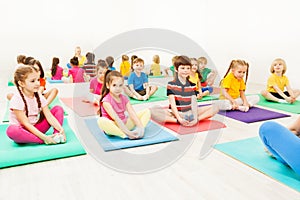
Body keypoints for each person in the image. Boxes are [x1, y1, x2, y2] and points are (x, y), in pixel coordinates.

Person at [151, 55, 219, 126]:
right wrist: (179, 119)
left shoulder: (192, 85)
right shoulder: (171, 85)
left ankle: (195, 120)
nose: (185, 70)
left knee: (215, 107)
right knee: (153, 111)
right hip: (176, 113)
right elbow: (173, 105)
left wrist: (195, 118)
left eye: (188, 68)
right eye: (183, 68)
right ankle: (176, 121)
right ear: (176, 69)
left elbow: (194, 103)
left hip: (190, 113)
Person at [6, 65, 65, 144]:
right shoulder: (17, 99)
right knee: (11, 130)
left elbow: (49, 116)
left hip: (37, 128)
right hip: (24, 132)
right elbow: (26, 123)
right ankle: (44, 140)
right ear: (21, 83)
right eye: (33, 81)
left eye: (38, 80)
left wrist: (61, 129)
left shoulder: (39, 96)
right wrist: (44, 138)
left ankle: (57, 135)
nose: (37, 83)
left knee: (58, 109)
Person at [97, 70, 151, 139]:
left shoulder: (124, 98)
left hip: (125, 124)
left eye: (120, 85)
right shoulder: (106, 101)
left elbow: (132, 114)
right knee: (101, 121)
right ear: (108, 85)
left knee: (147, 111)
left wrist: (141, 129)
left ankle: (139, 130)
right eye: (114, 85)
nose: (118, 88)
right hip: (114, 127)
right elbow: (116, 118)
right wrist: (128, 133)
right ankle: (123, 135)